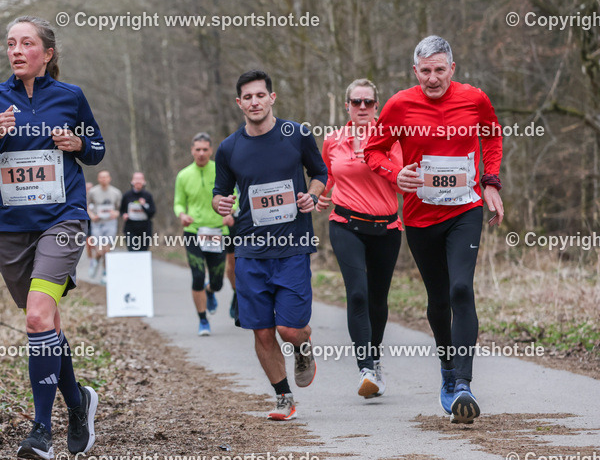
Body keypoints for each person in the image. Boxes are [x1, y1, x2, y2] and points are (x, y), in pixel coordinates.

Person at [0, 15, 102, 460]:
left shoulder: (70, 97)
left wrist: (78, 145)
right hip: (12, 229)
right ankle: (78, 402)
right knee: (48, 324)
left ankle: (41, 430)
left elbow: (96, 149)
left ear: (47, 53)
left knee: (38, 317)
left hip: (63, 220)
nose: (16, 51)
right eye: (10, 44)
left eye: (26, 43)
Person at [365, 36, 503, 424]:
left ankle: (463, 384)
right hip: (420, 216)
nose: (433, 78)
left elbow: (492, 134)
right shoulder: (399, 105)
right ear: (415, 71)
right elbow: (373, 151)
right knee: (439, 299)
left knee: (461, 289)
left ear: (452, 69)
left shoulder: (474, 99)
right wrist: (395, 173)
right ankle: (447, 368)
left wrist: (491, 181)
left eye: (440, 70)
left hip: (465, 210)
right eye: (425, 71)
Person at [213, 70, 327, 421]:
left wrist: (312, 195)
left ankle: (302, 345)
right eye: (247, 97)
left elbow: (320, 174)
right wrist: (220, 203)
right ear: (239, 103)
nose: (254, 102)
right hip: (249, 250)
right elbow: (220, 193)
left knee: (289, 329)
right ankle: (283, 398)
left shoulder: (297, 135)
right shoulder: (229, 148)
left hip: (292, 246)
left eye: (260, 95)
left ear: (272, 98)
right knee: (262, 330)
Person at [317, 79, 403, 399]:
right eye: (356, 102)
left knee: (378, 299)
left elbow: (401, 178)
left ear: (377, 106)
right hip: (346, 224)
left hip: (386, 228)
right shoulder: (333, 140)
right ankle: (365, 369)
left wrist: (376, 157)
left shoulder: (392, 139)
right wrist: (319, 193)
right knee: (357, 294)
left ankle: (375, 360)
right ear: (347, 106)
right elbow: (326, 173)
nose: (362, 107)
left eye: (368, 102)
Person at [174, 133, 231, 336]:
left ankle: (210, 291)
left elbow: (234, 196)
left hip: (217, 230)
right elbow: (178, 202)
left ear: (211, 150)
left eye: (205, 149)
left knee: (217, 282)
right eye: (197, 149)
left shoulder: (221, 170)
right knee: (197, 276)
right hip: (194, 231)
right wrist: (182, 214)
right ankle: (203, 320)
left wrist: (230, 212)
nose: (201, 153)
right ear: (192, 150)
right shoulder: (183, 175)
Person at [86, 170, 122, 281]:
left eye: (106, 177)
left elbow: (120, 209)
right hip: (97, 223)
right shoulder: (93, 192)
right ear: (98, 179)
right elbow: (86, 206)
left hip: (110, 223)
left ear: (109, 178)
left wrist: (116, 213)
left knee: (107, 250)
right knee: (100, 250)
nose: (104, 179)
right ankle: (95, 260)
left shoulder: (116, 192)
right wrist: (92, 216)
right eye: (101, 177)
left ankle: (105, 273)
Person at [119, 171, 155, 251]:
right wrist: (124, 215)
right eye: (136, 179)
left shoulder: (148, 196)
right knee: (133, 251)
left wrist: (143, 206)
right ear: (132, 181)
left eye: (140, 179)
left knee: (143, 252)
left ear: (144, 182)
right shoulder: (127, 195)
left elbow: (152, 213)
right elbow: (122, 210)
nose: (138, 181)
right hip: (130, 228)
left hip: (145, 228)